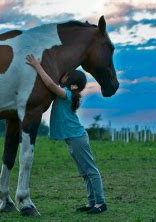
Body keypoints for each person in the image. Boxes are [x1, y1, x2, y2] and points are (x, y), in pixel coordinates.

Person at [25, 54, 107, 214]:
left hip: (77, 138)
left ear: (73, 85)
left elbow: (49, 83)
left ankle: (101, 203)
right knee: (84, 172)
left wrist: (37, 65)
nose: (63, 76)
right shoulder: (67, 94)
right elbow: (52, 82)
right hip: (73, 139)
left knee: (90, 170)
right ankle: (92, 202)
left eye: (66, 76)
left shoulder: (67, 94)